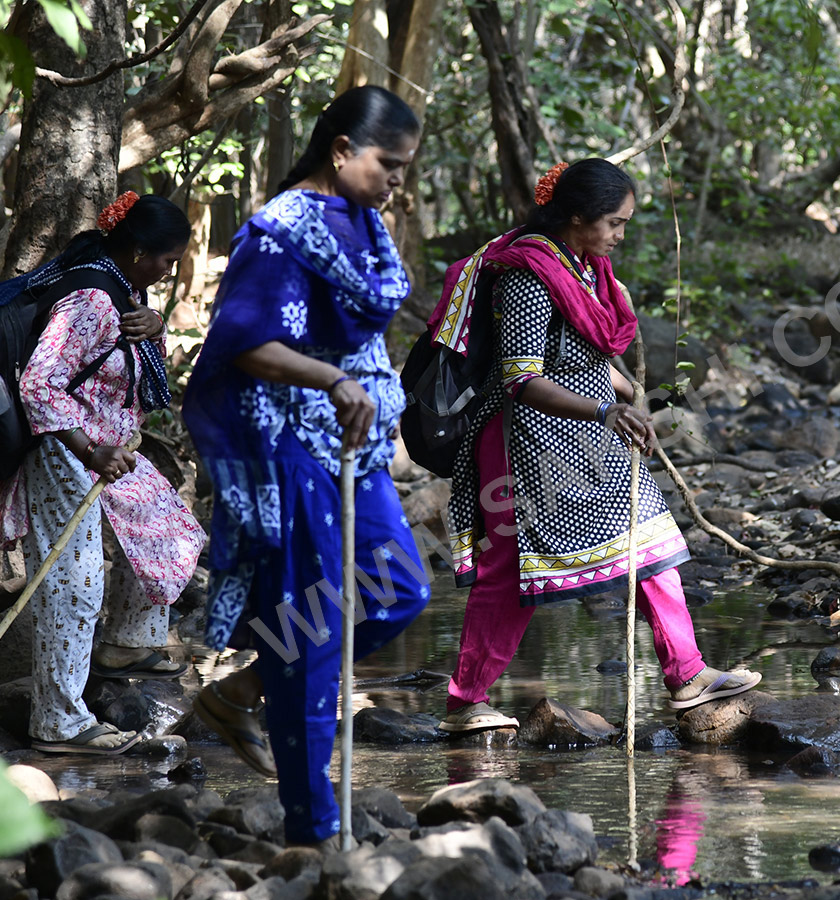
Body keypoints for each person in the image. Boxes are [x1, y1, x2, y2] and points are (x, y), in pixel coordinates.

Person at [183, 85, 430, 848]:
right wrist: (331, 380)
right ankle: (314, 828)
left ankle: (241, 691)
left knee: (399, 588)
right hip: (286, 442)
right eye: (388, 164)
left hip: (350, 440)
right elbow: (242, 343)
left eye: (405, 167)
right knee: (318, 628)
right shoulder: (280, 232)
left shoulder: (363, 221)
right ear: (342, 150)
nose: (398, 181)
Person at [435, 158, 761, 733]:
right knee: (508, 570)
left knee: (653, 539)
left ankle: (687, 674)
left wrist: (626, 390)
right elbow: (523, 378)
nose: (620, 235)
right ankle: (466, 701)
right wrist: (607, 408)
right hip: (524, 443)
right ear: (577, 216)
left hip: (585, 435)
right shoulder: (527, 275)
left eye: (625, 223)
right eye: (614, 222)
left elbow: (583, 358)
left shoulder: (584, 269)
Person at [0, 192, 205, 755]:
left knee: (170, 529)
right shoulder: (90, 298)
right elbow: (39, 384)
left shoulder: (128, 289)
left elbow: (134, 367)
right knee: (75, 584)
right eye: (166, 260)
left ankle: (126, 644)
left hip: (110, 445)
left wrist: (155, 325)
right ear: (138, 250)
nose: (170, 270)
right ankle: (59, 723)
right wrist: (88, 449)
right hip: (65, 449)